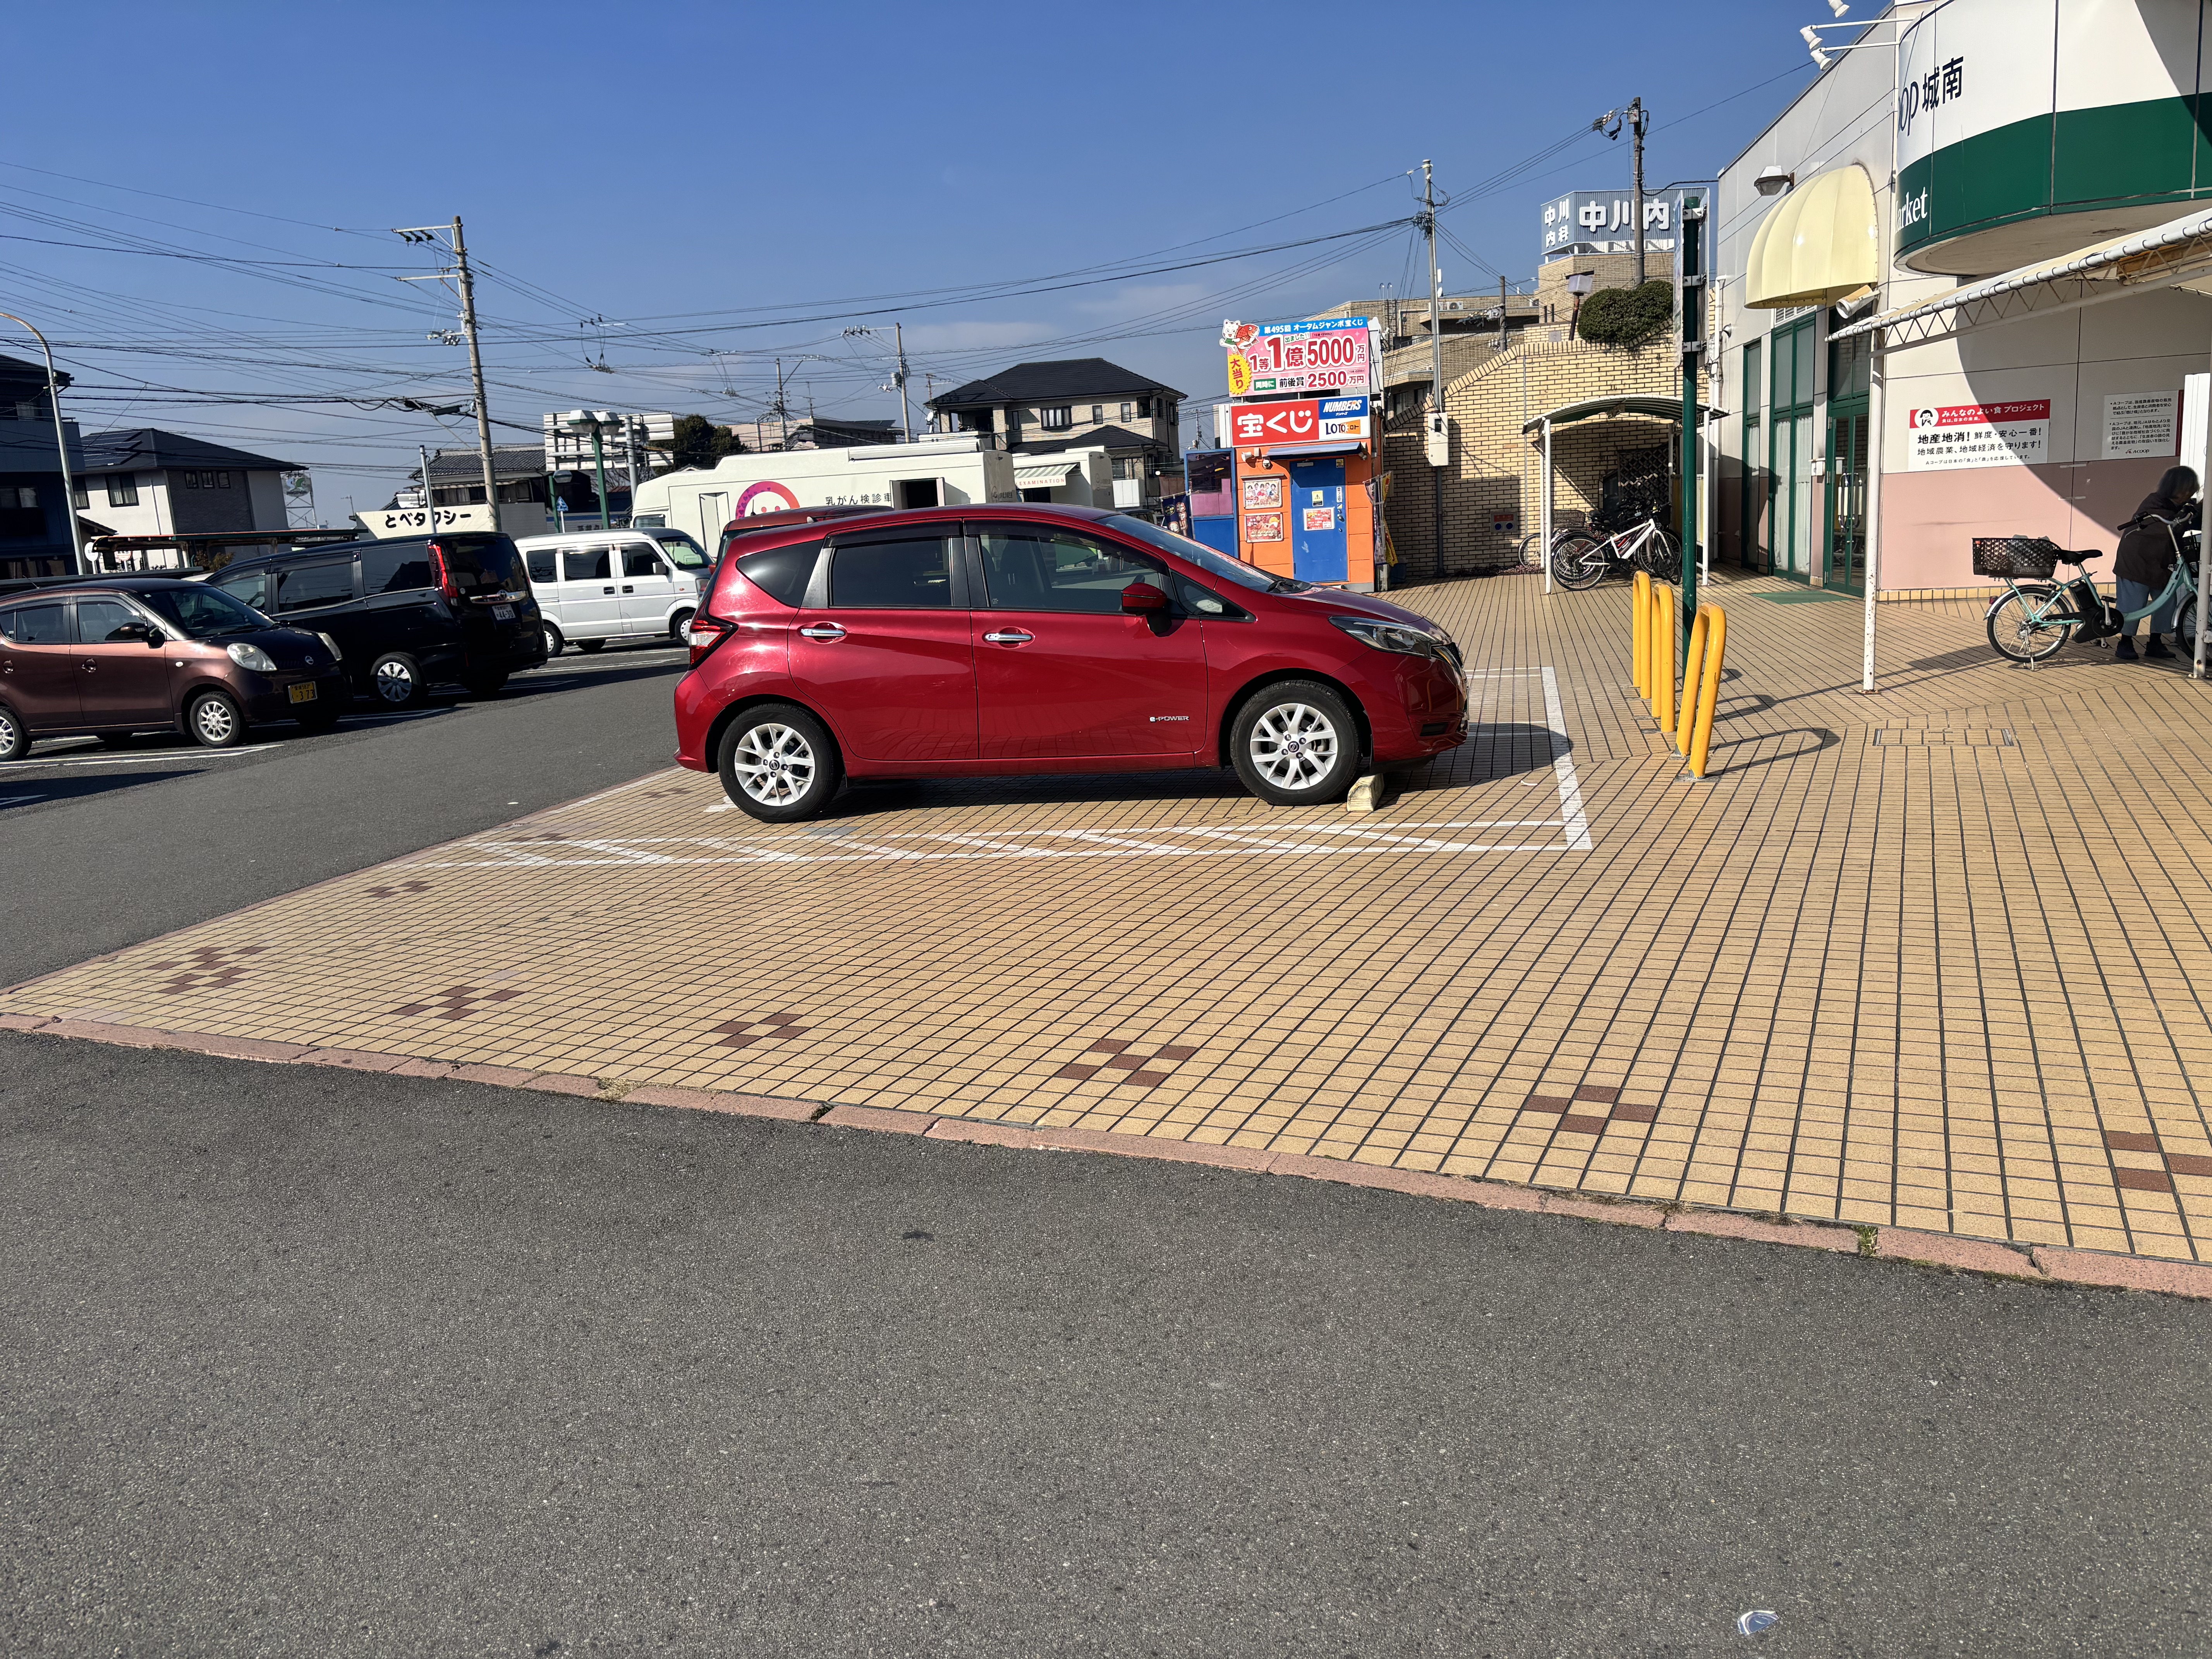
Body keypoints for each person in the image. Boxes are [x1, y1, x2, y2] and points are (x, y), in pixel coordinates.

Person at [2112, 464, 2200, 661]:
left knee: (2167, 601)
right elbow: (2169, 524)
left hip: (2162, 561)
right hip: (2137, 560)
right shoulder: (2155, 502)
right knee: (2133, 603)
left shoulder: (2179, 505)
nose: (2189, 493)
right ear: (2177, 487)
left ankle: (2155, 642)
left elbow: (2186, 519)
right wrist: (2186, 515)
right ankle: (2125, 642)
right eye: (2188, 489)